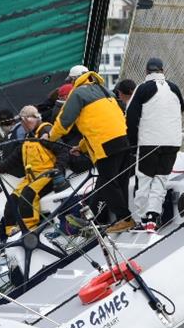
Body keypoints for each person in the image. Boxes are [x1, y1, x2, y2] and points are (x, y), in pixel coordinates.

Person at [48, 70, 134, 232]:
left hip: (105, 146)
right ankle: (123, 219)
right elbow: (99, 125)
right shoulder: (104, 90)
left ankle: (125, 219)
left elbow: (64, 121)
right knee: (120, 181)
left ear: (74, 79)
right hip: (123, 139)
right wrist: (80, 148)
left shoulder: (77, 93)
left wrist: (50, 137)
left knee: (108, 184)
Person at [126, 57, 184, 232]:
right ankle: (152, 218)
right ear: (162, 70)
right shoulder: (174, 88)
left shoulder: (143, 88)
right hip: (173, 142)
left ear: (146, 71)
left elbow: (130, 117)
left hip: (149, 143)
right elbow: (181, 108)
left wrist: (133, 143)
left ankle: (142, 219)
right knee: (160, 180)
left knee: (144, 181)